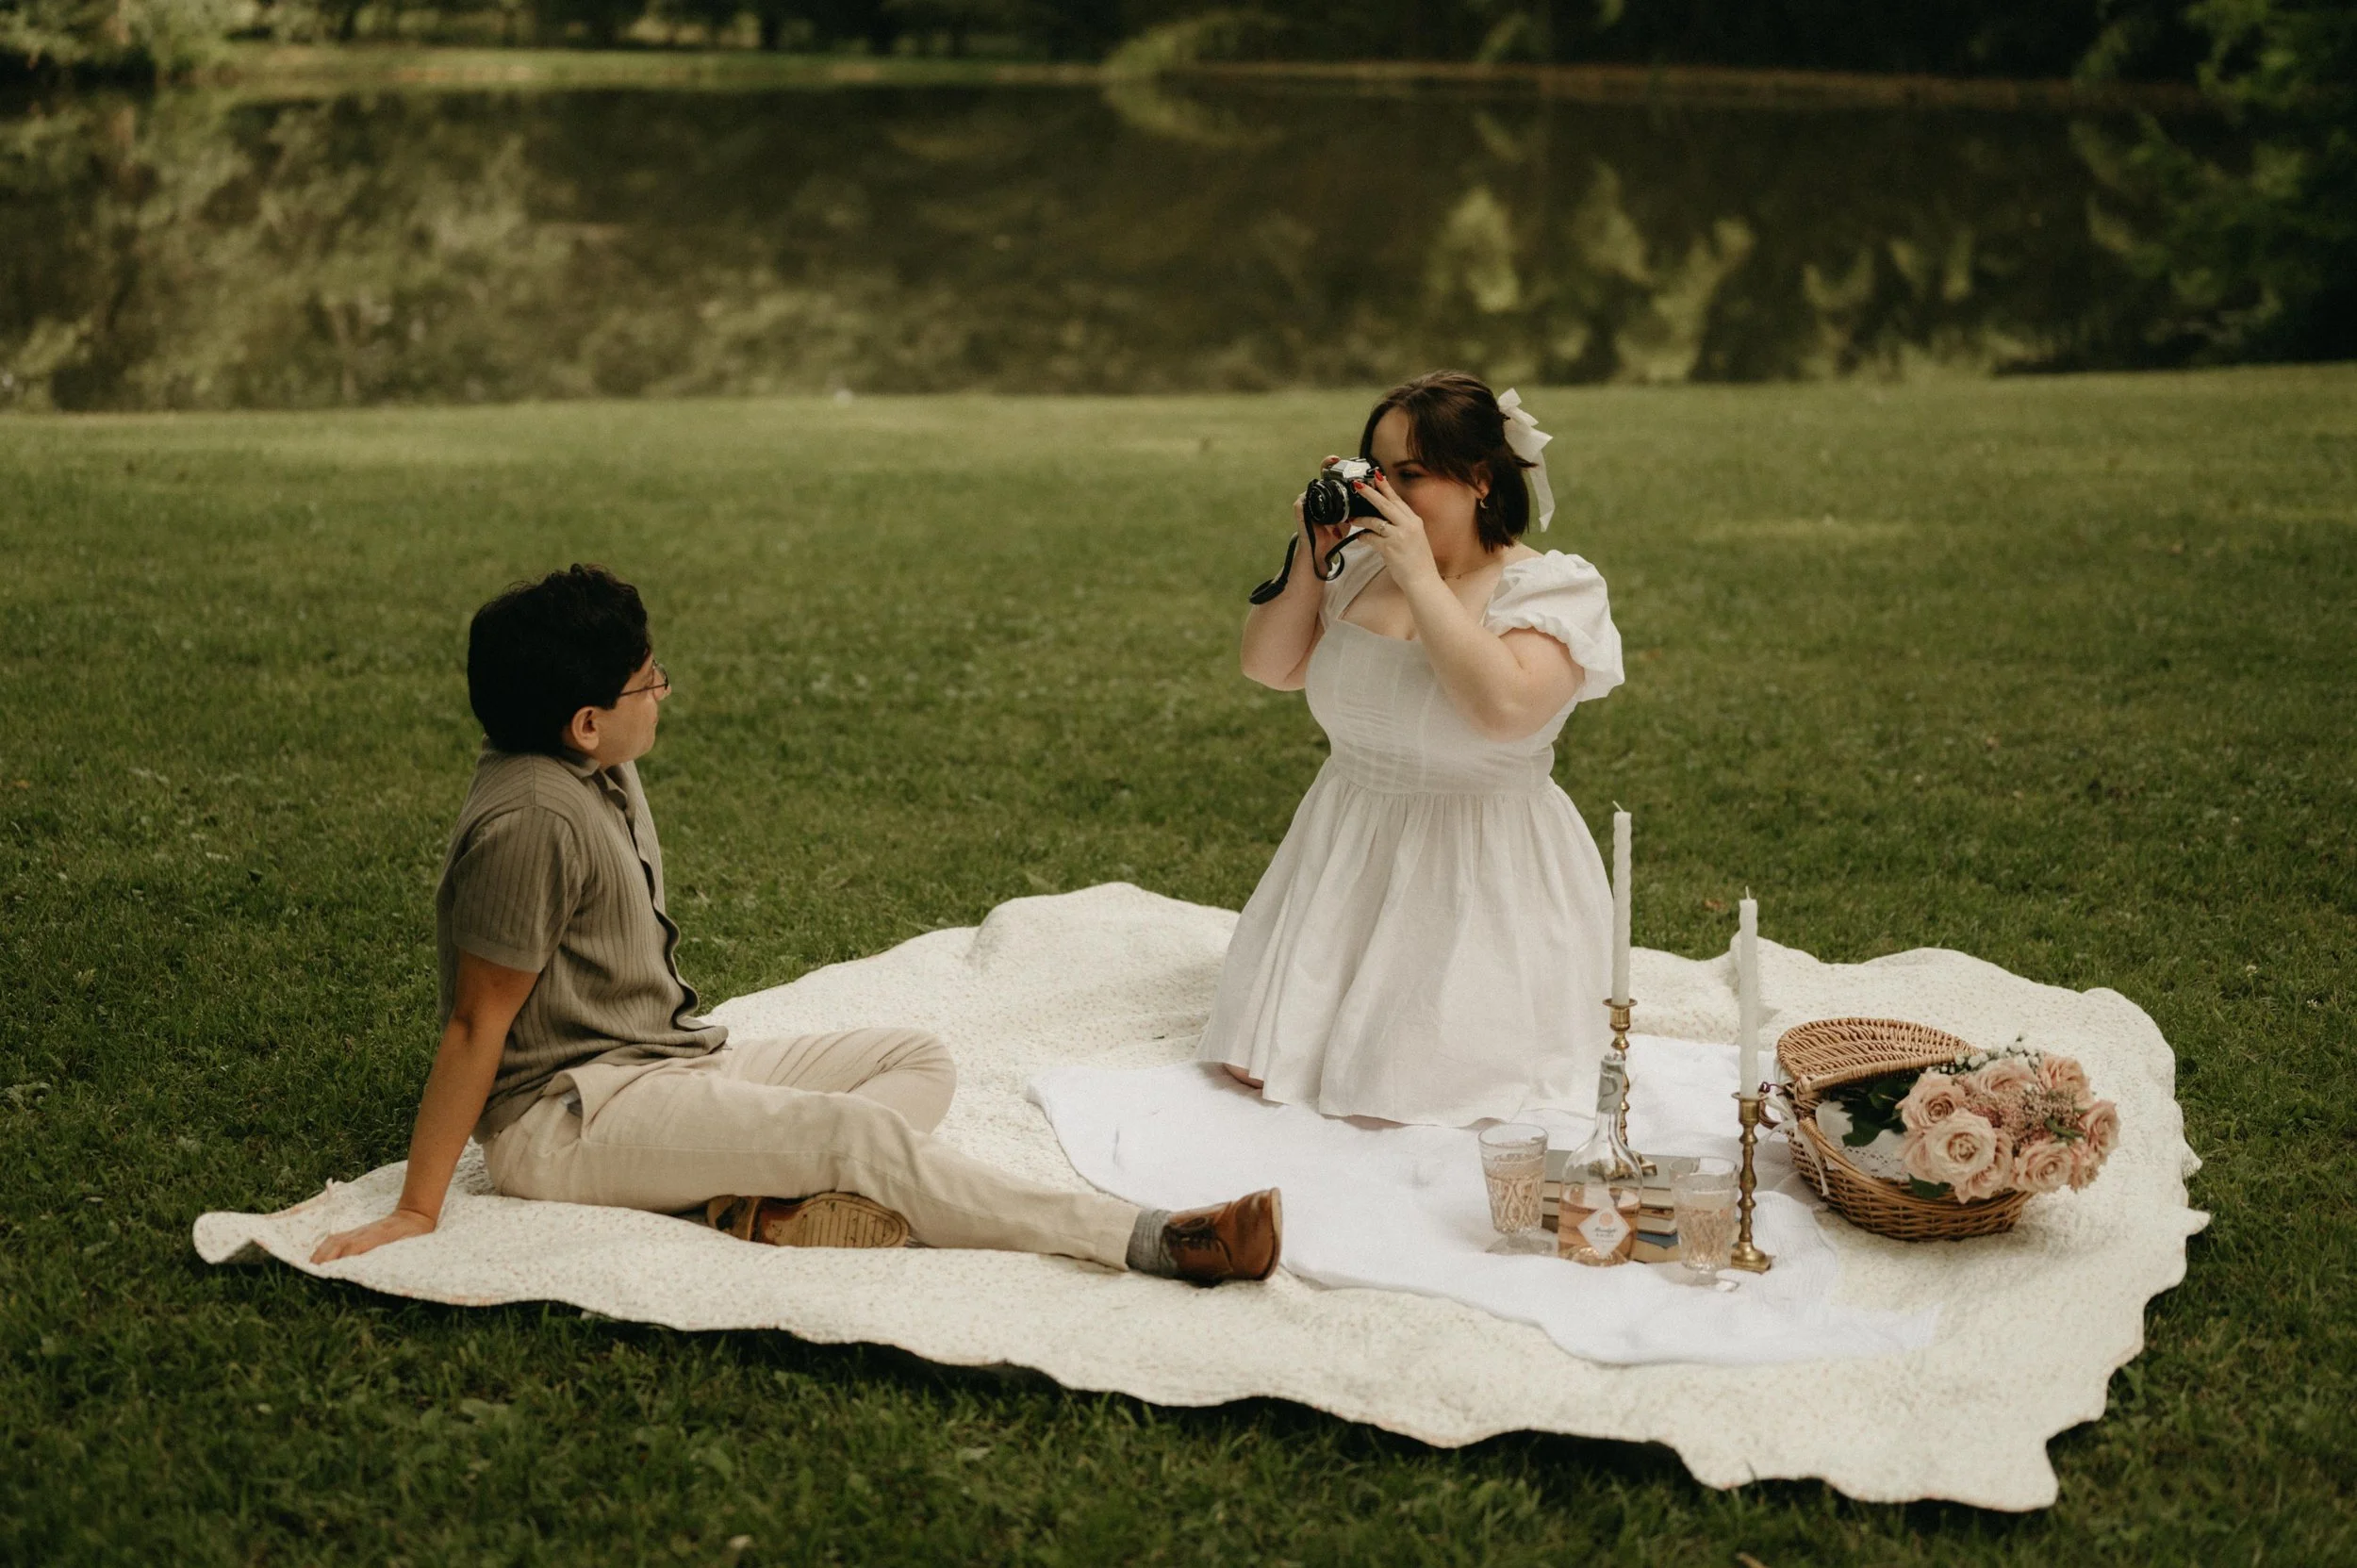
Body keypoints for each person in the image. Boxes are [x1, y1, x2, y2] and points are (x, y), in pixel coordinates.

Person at [313, 564, 1279, 1281]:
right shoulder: (532, 822)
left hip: (658, 1064)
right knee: (856, 1131)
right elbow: (477, 1023)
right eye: (649, 681)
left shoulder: (595, 766)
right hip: (564, 1117)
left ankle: (772, 1205)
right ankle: (1156, 1238)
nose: (664, 691)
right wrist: (415, 1206)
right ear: (583, 722)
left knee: (915, 1058)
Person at [1197, 372, 1625, 1127]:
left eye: (1412, 476)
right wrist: (1310, 554)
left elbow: (1504, 710)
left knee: (1419, 1094)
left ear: (1481, 478)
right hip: (1346, 843)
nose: (1385, 494)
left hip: (1480, 860)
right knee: (1260, 1068)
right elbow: (1269, 666)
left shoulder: (1551, 589)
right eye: (1375, 472)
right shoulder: (1359, 569)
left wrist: (1422, 575)